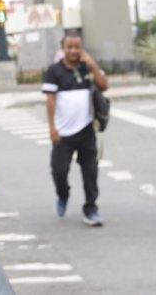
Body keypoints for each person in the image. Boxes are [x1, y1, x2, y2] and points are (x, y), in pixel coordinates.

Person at [43, 32, 109, 226]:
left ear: (82, 48)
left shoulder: (87, 68)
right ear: (62, 49)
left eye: (77, 47)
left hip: (87, 131)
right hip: (63, 134)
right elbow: (50, 100)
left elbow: (104, 86)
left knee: (90, 171)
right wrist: (52, 128)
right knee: (59, 171)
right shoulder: (54, 71)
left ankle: (91, 209)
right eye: (69, 47)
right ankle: (63, 195)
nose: (73, 51)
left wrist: (93, 64)